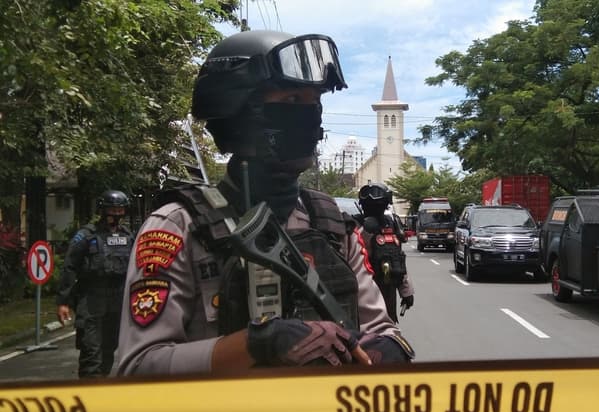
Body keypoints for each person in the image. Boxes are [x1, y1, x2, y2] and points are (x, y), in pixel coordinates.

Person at [114, 30, 414, 376]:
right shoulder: (179, 227)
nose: (310, 116)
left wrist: (387, 350)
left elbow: (382, 328)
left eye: (314, 102)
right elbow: (137, 368)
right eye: (291, 102)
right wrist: (255, 346)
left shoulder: (331, 223)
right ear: (238, 112)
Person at [57, 190, 134, 377]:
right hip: (91, 300)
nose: (116, 213)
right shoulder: (86, 235)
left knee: (109, 350)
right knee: (91, 353)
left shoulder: (128, 236)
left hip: (118, 300)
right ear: (103, 209)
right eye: (112, 209)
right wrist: (63, 302)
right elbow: (69, 267)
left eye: (120, 209)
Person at [355, 182, 414, 322]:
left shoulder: (391, 225)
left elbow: (398, 261)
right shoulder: (353, 227)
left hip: (387, 291)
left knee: (387, 333)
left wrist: (406, 291)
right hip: (361, 293)